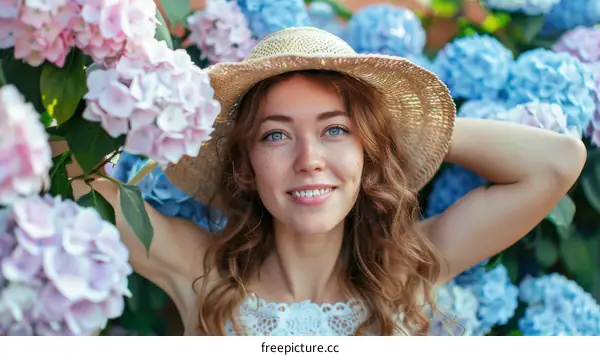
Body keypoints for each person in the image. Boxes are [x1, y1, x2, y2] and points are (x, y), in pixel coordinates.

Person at [55, 27, 586, 336]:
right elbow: (66, 165)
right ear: (246, 162)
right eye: (276, 136)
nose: (309, 159)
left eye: (335, 130)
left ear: (368, 150)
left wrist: (396, 130)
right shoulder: (201, 271)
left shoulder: (410, 271)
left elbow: (558, 162)